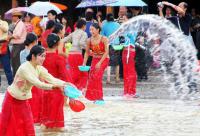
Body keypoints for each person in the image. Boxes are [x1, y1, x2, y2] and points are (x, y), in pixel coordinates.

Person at [0, 45, 75, 135]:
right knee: (8, 128)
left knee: (28, 127)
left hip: (24, 101)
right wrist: (54, 87)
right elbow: (38, 84)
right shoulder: (25, 68)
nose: (43, 58)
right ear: (33, 56)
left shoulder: (39, 68)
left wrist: (65, 83)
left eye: (44, 56)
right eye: (41, 56)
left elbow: (51, 79)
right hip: (11, 99)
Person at [42, 34, 72, 131]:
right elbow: (65, 76)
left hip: (44, 90)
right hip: (56, 91)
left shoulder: (41, 57)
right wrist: (71, 92)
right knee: (59, 127)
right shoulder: (59, 58)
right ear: (58, 44)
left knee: (45, 123)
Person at [83, 23, 109, 102]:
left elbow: (106, 52)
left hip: (104, 59)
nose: (91, 31)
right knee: (91, 77)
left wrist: (100, 62)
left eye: (92, 30)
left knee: (97, 77)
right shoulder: (89, 40)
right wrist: (84, 63)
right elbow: (87, 52)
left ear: (98, 30)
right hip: (95, 59)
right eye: (90, 30)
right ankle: (91, 98)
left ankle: (100, 98)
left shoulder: (104, 39)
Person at [63, 19, 88, 90]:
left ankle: (72, 88)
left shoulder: (74, 33)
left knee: (73, 72)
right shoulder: (84, 33)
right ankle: (79, 88)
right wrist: (88, 49)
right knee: (83, 73)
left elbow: (64, 40)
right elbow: (81, 43)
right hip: (77, 55)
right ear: (83, 26)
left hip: (70, 55)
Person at [101, 13, 121, 84]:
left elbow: (102, 36)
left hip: (108, 45)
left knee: (108, 62)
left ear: (106, 18)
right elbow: (121, 34)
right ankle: (117, 78)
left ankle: (108, 79)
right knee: (117, 62)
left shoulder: (104, 26)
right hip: (117, 45)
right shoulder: (118, 25)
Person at [7, 10, 27, 76]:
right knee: (14, 62)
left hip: (19, 45)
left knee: (17, 62)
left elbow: (18, 35)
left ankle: (17, 77)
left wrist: (10, 36)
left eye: (13, 16)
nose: (12, 18)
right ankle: (16, 76)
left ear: (17, 17)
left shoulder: (20, 24)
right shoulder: (18, 24)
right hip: (16, 45)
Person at [0, 15, 13, 86]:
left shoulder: (4, 22)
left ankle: (11, 84)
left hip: (3, 45)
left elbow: (5, 29)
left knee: (7, 67)